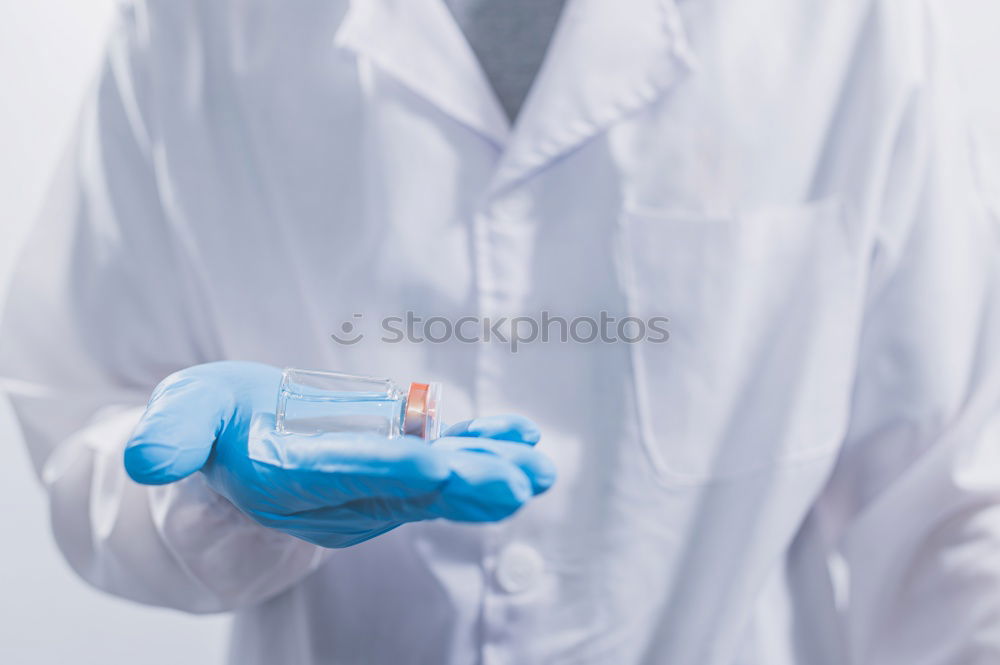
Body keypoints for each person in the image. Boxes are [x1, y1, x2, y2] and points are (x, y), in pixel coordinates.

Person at [2, 0, 999, 663]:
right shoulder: (201, 22)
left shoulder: (853, 24)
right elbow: (84, 410)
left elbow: (956, 510)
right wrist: (211, 492)